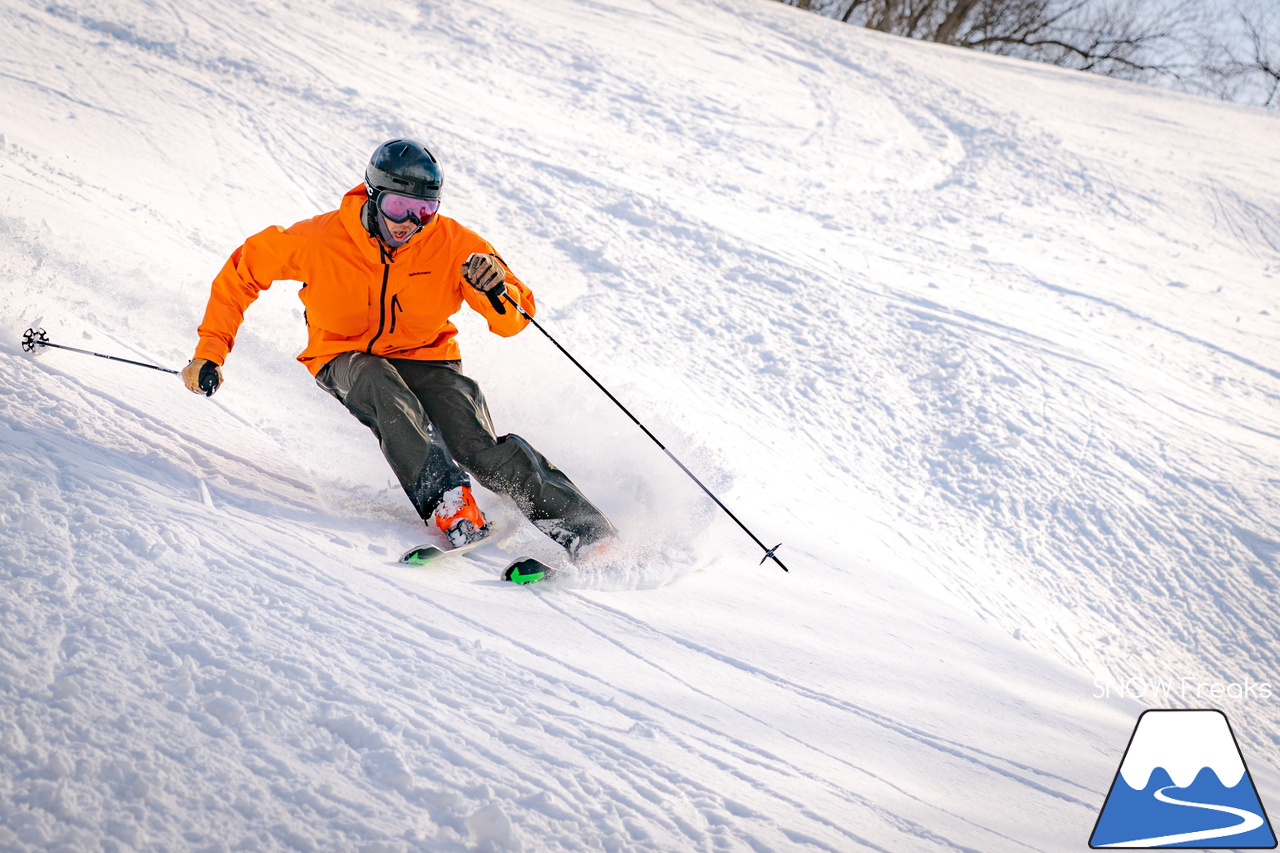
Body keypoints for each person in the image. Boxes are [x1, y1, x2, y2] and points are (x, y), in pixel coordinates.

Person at [183, 138, 615, 560]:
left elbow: (512, 322)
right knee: (382, 386)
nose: (409, 221)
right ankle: (449, 503)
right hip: (344, 356)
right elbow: (240, 274)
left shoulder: (455, 245)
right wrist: (210, 352)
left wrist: (496, 289)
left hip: (430, 358)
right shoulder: (318, 239)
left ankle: (589, 532)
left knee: (475, 444)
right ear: (373, 196)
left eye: (424, 210)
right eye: (398, 207)